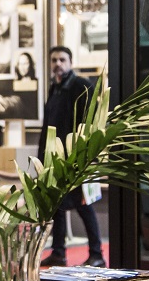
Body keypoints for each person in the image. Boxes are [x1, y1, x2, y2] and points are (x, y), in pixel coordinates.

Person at [37, 46, 105, 267]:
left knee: (83, 205)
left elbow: (92, 123)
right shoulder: (54, 88)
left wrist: (86, 156)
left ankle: (97, 254)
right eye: (54, 60)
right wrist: (42, 158)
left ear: (70, 62)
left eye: (62, 59)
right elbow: (48, 126)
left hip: (77, 158)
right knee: (56, 206)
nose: (58, 63)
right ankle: (59, 252)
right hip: (55, 158)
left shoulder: (82, 86)